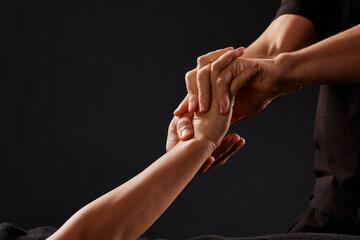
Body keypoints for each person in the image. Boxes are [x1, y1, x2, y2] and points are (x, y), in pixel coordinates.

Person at [172, 0, 360, 235]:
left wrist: (282, 72)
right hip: (338, 207)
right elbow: (276, 44)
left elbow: (278, 62)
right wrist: (218, 86)